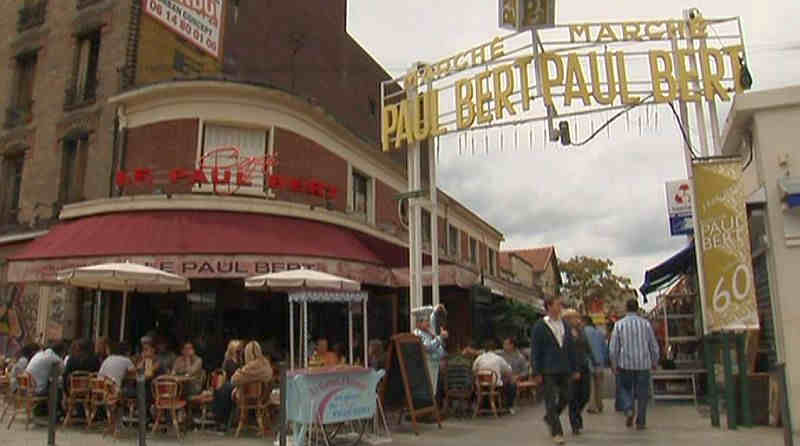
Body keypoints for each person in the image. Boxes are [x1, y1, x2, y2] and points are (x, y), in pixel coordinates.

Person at [531, 297, 577, 445]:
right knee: (550, 400)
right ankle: (557, 432)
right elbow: (535, 350)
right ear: (549, 307)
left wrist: (575, 368)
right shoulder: (540, 326)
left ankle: (550, 417)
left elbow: (570, 348)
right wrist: (536, 372)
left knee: (567, 396)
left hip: (564, 367)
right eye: (558, 304)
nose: (560, 307)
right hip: (547, 368)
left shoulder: (565, 325)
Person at [609, 299, 660, 430]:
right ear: (637, 309)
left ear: (626, 308)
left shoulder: (619, 325)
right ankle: (641, 421)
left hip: (625, 364)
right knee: (642, 393)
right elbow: (653, 344)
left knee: (625, 389)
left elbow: (613, 347)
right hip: (643, 364)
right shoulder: (646, 324)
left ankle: (628, 408)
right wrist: (655, 361)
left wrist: (614, 364)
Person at [213, 341, 273, 433]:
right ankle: (224, 420)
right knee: (226, 389)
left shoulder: (250, 367)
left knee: (223, 389)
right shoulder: (266, 363)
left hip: (248, 397)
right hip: (264, 396)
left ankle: (221, 420)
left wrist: (239, 373)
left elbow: (234, 379)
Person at [563, 309, 591, 435]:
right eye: (575, 317)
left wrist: (594, 360)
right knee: (573, 397)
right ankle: (575, 423)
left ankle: (576, 414)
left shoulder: (581, 331)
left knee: (585, 395)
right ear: (568, 319)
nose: (578, 319)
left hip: (584, 366)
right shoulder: (563, 332)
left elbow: (587, 346)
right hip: (570, 368)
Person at [473, 339, 517, 414]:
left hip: (481, 386)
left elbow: (474, 369)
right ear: (494, 349)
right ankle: (510, 406)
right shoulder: (498, 358)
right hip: (495, 385)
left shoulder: (479, 358)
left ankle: (477, 405)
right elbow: (509, 370)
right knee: (512, 384)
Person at [412, 305, 447, 395]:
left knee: (433, 391)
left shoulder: (427, 333)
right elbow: (427, 348)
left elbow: (438, 348)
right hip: (425, 366)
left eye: (428, 321)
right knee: (427, 392)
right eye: (425, 321)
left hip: (433, 365)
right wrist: (439, 338)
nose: (428, 323)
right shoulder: (417, 334)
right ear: (418, 323)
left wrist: (442, 356)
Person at [583, 316, 610, 414]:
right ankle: (599, 404)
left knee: (591, 386)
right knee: (599, 385)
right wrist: (606, 360)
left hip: (588, 362)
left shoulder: (583, 332)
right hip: (600, 362)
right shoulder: (600, 333)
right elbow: (605, 348)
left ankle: (592, 406)